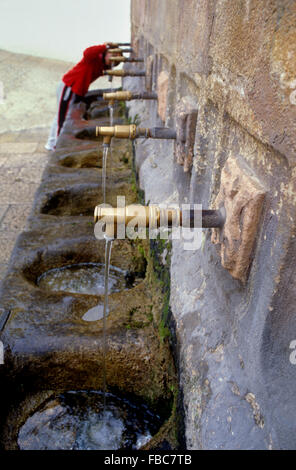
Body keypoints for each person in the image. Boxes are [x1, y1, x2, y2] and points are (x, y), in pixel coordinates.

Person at [45, 43, 115, 151]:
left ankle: (52, 143)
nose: (113, 60)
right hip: (69, 86)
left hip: (76, 90)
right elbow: (87, 52)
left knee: (64, 115)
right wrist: (105, 46)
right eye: (112, 55)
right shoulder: (93, 58)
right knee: (62, 117)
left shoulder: (103, 66)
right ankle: (56, 146)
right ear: (106, 53)